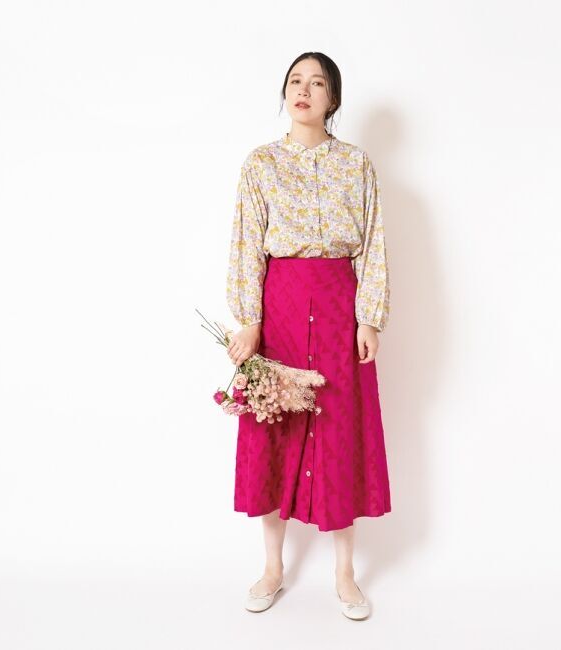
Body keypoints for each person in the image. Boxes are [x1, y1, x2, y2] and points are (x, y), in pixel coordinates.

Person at [225, 51, 391, 620]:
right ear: (285, 92)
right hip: (282, 307)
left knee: (339, 425)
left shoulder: (356, 164)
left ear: (332, 99)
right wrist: (249, 319)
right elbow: (246, 242)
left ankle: (345, 573)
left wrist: (369, 317)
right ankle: (273, 567)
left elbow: (372, 243)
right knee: (276, 423)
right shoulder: (261, 164)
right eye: (295, 81)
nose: (304, 90)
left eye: (317, 83)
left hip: (340, 304)